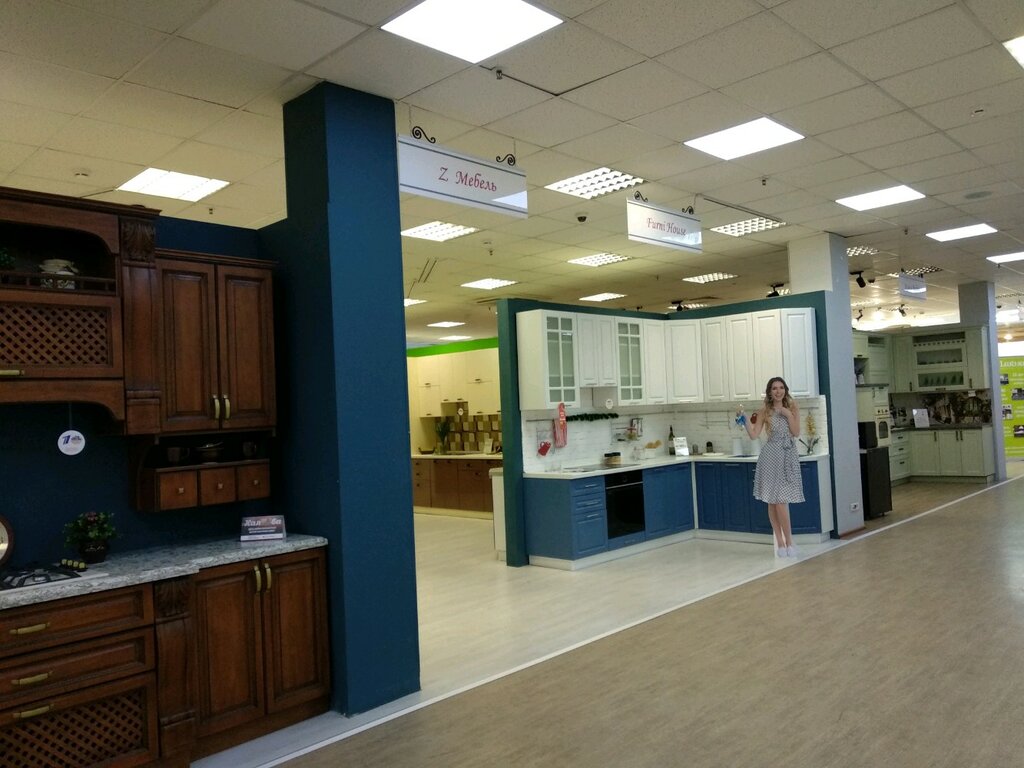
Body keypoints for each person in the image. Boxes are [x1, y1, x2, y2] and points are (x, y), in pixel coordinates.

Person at [740, 377, 804, 557]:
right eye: (774, 388)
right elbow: (754, 435)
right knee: (772, 501)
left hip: (787, 455)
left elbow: (796, 432)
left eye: (781, 387)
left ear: (785, 390)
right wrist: (745, 419)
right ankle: (781, 543)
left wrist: (787, 414)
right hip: (770, 456)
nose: (778, 391)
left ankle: (789, 542)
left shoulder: (793, 408)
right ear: (769, 391)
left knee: (781, 501)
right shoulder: (764, 411)